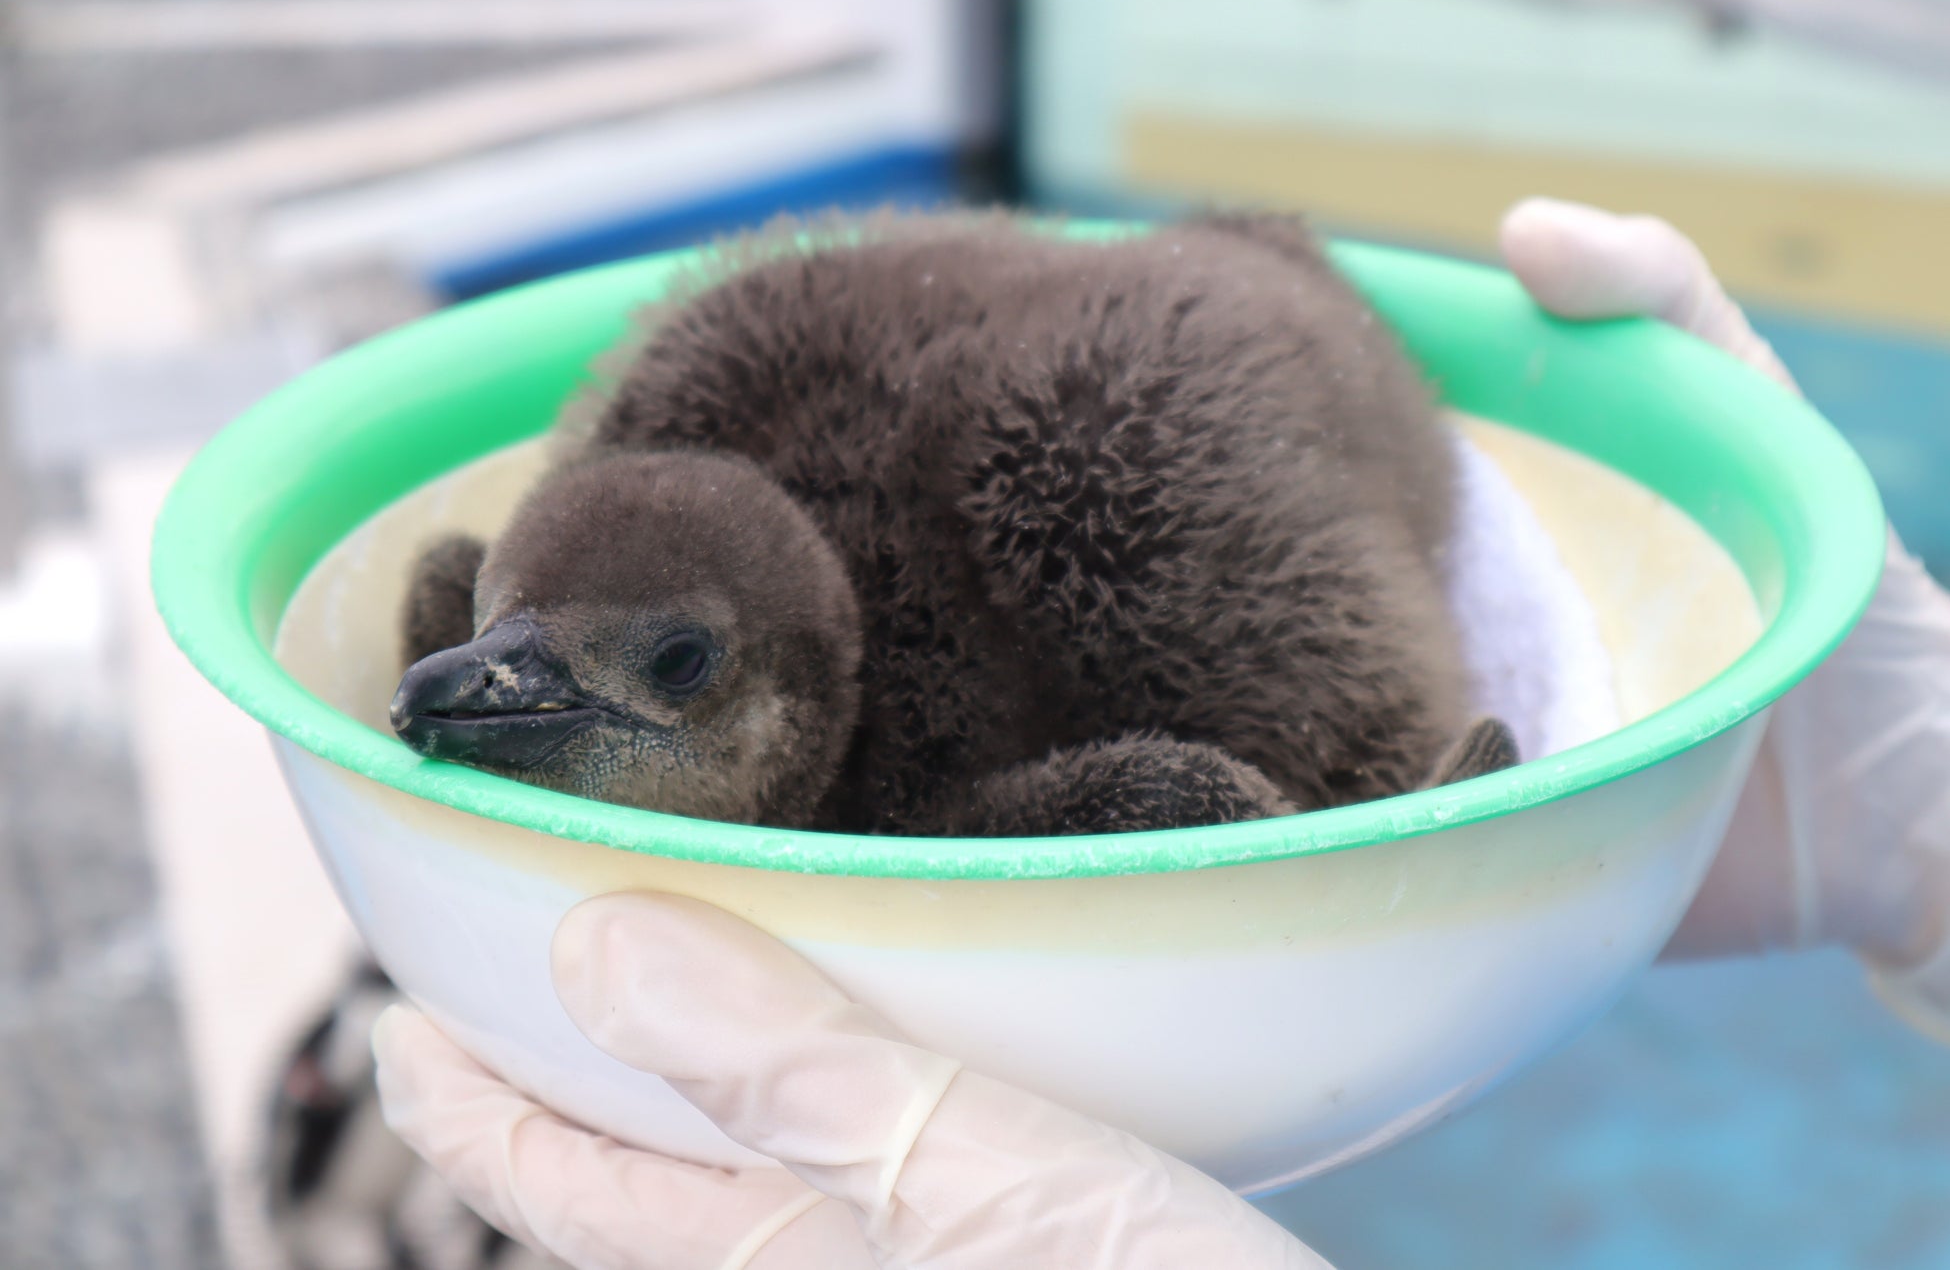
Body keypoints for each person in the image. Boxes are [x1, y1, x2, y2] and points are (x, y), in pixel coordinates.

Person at [368, 199, 1950, 1270]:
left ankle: (1362, 750)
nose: (474, 687)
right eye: (496, 635)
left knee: (1105, 473)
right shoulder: (678, 449)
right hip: (1183, 315)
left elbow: (1186, 794)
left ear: (786, 686)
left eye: (678, 666)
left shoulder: (1105, 490)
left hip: (1177, 378)